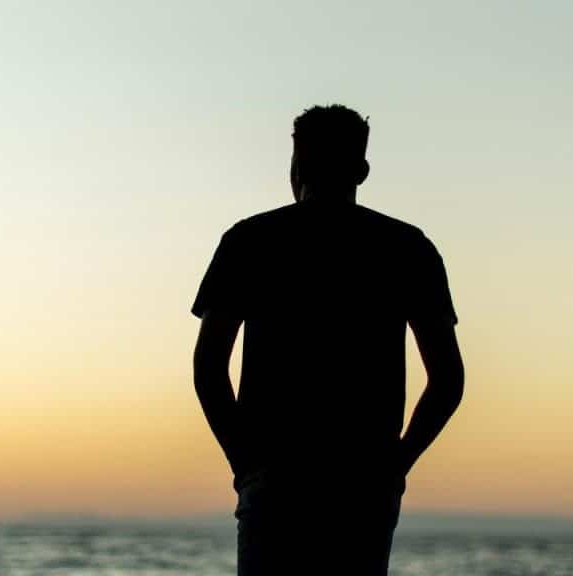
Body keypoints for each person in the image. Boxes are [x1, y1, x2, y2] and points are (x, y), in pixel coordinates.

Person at [192, 104, 464, 575]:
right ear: (361, 169)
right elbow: (447, 380)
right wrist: (396, 464)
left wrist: (245, 461)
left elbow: (209, 367)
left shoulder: (250, 240)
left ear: (297, 163)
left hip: (276, 477)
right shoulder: (407, 247)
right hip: (363, 480)